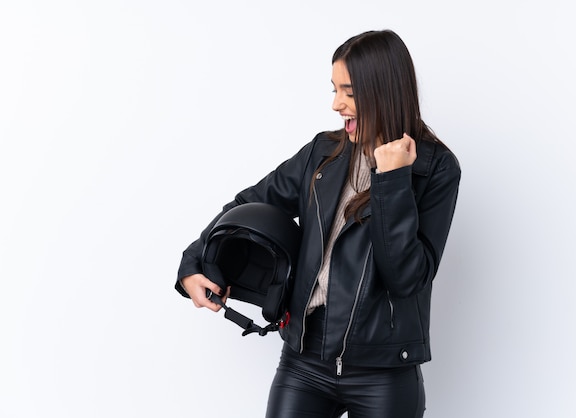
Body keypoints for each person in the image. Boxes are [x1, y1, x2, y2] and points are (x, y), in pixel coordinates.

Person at [175, 29, 461, 418]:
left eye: (348, 91)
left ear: (383, 90)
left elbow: (406, 276)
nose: (336, 104)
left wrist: (392, 178)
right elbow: (248, 203)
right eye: (334, 89)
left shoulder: (433, 168)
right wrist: (194, 262)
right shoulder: (322, 154)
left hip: (384, 370)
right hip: (305, 359)